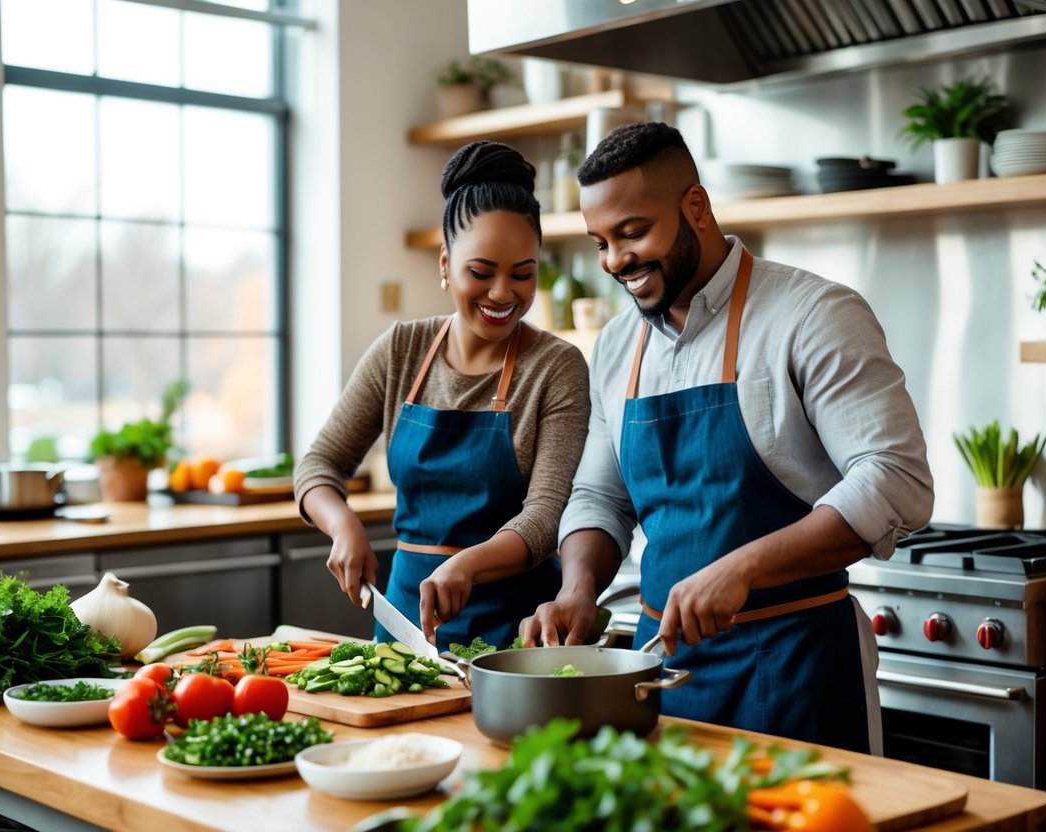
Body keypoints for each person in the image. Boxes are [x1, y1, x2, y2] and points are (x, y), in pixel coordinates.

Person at [521, 122, 934, 754]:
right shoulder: (613, 347)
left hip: (796, 671)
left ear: (697, 207)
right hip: (658, 674)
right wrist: (577, 590)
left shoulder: (813, 315)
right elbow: (601, 498)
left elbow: (896, 478)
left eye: (633, 232)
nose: (614, 261)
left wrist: (743, 568)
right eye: (600, 242)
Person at [295, 141, 590, 652]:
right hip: (403, 623)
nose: (503, 293)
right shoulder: (400, 350)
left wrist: (468, 564)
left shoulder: (556, 367)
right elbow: (319, 465)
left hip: (517, 634)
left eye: (523, 274)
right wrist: (343, 525)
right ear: (445, 263)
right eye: (481, 272)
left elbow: (545, 517)